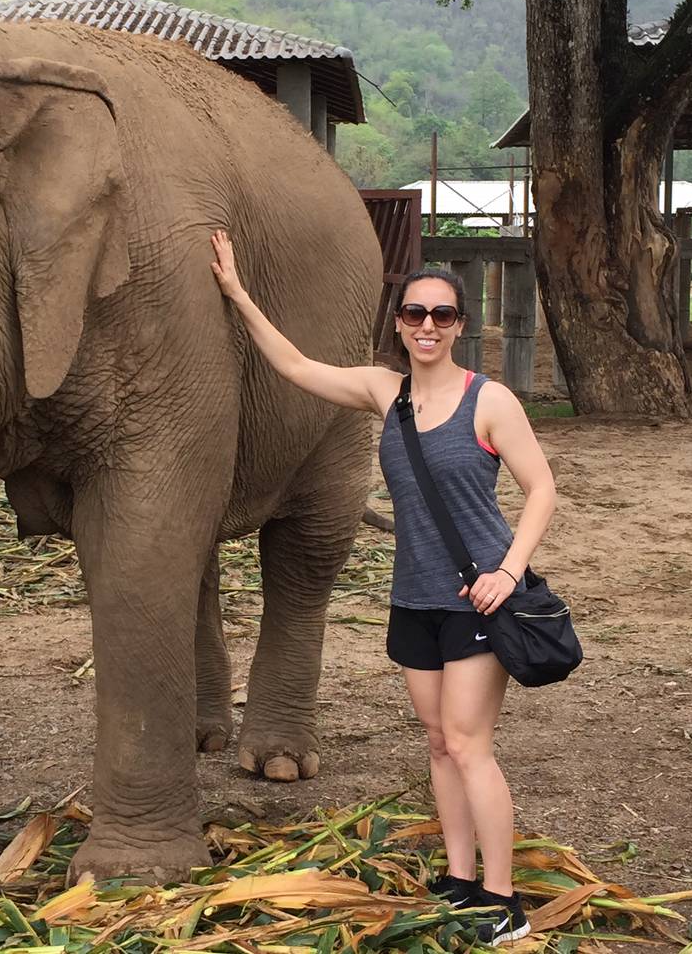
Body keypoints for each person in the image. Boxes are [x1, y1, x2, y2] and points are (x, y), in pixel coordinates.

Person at [210, 229, 556, 946]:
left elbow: (543, 487)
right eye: (415, 314)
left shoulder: (488, 401)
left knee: (469, 745)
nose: (427, 326)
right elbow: (296, 365)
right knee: (436, 741)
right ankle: (459, 879)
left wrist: (508, 572)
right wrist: (238, 292)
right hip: (413, 597)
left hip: (478, 598)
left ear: (460, 325)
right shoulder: (384, 392)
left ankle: (503, 899)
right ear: (398, 323)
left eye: (443, 315)